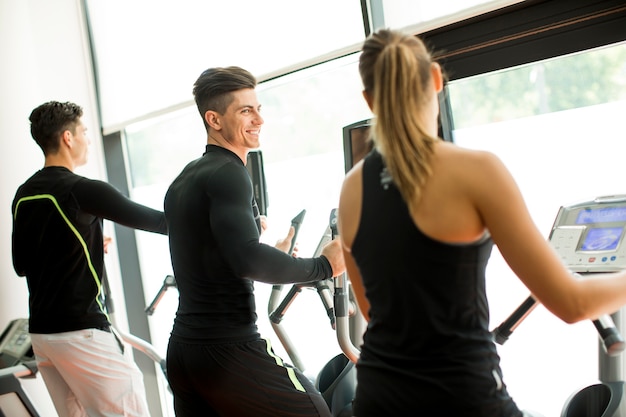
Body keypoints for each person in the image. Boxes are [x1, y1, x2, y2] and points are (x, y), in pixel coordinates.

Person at [337, 28, 626, 417]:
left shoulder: (352, 188)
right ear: (436, 79)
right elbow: (572, 304)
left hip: (378, 396)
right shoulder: (476, 170)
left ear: (369, 101)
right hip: (461, 396)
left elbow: (374, 312)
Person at [163, 66, 346, 417]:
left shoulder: (184, 179)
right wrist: (324, 266)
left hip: (185, 352)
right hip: (228, 350)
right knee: (314, 411)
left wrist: (269, 254)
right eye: (246, 110)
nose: (259, 119)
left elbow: (216, 258)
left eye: (259, 108)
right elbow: (247, 259)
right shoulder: (230, 172)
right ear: (214, 119)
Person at [11, 101, 168, 417]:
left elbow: (22, 265)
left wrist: (84, 241)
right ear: (68, 137)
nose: (88, 139)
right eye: (84, 132)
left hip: (43, 335)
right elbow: (159, 222)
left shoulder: (24, 193)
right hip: (80, 330)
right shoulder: (81, 190)